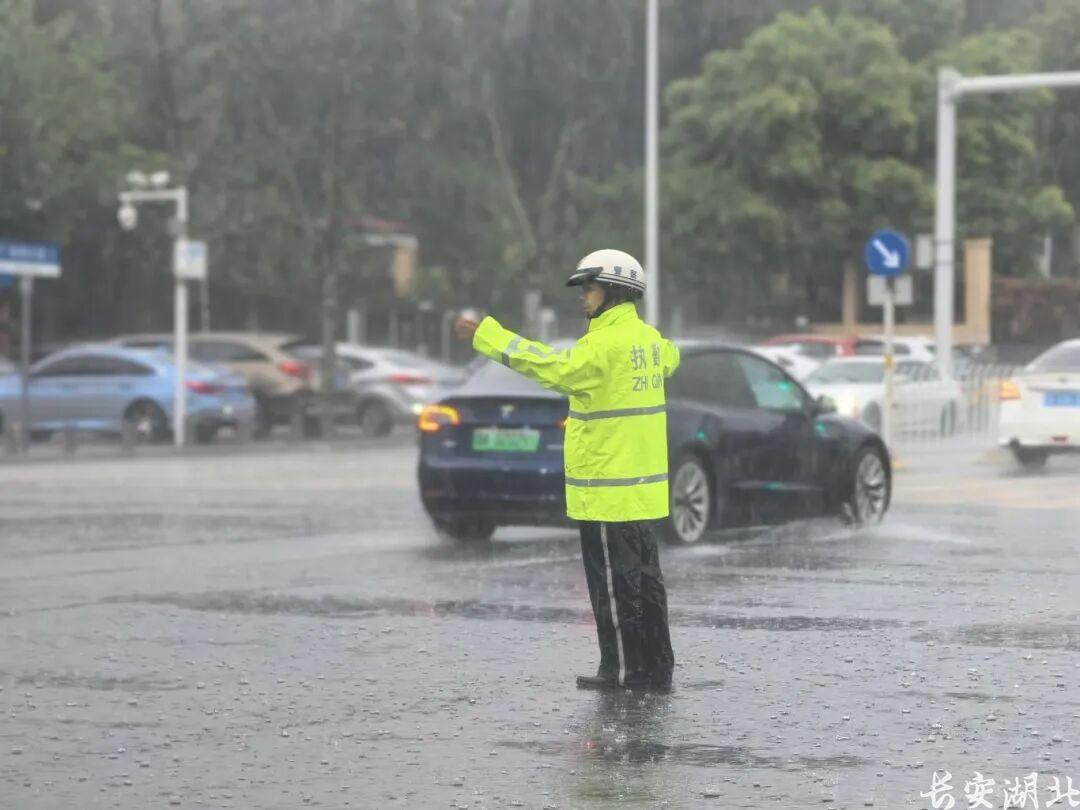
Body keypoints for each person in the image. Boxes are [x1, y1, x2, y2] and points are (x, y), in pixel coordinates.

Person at [455, 249, 680, 690]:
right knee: (646, 583)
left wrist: (490, 336)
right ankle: (656, 666)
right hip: (641, 490)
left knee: (614, 587)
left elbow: (551, 368)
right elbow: (672, 357)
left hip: (606, 491)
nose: (584, 298)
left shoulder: (600, 346)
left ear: (615, 291)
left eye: (590, 288)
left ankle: (622, 671)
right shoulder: (650, 342)